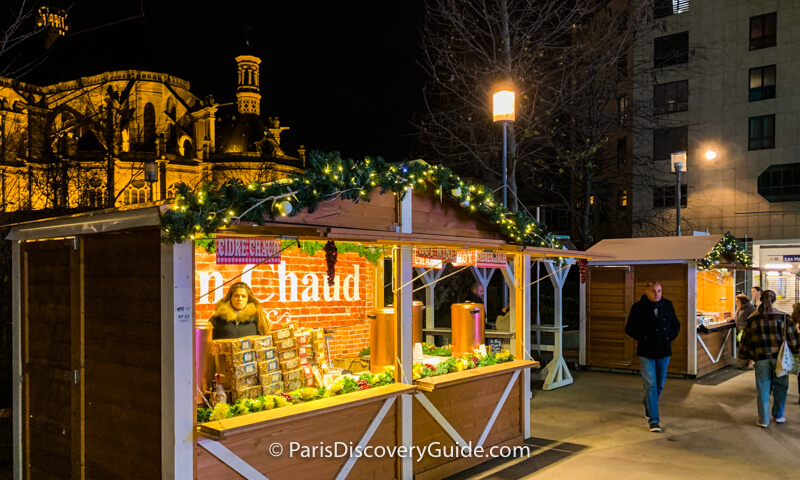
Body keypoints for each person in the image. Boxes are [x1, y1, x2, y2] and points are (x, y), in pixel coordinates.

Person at [737, 290, 800, 427]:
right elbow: (793, 338)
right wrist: (796, 352)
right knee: (781, 387)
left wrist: (743, 356)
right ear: (774, 300)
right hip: (780, 359)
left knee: (763, 388)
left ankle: (763, 420)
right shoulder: (783, 318)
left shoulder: (753, 319)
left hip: (760, 358)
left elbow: (745, 340)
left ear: (760, 299)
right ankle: (778, 415)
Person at [624, 281, 681, 433]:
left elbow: (676, 325)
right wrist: (643, 337)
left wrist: (669, 336)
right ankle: (654, 420)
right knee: (650, 384)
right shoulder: (638, 307)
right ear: (647, 292)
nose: (657, 294)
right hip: (646, 351)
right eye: (654, 291)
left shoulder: (667, 305)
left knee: (660, 384)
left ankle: (648, 403)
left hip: (664, 350)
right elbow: (629, 328)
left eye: (659, 291)